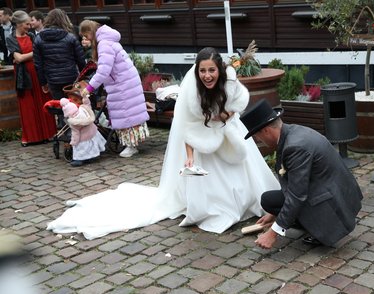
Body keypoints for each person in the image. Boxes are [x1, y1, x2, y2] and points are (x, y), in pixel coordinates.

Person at [46, 47, 280, 240]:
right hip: (203, 140)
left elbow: (236, 105)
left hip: (230, 133)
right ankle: (221, 206)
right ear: (197, 72)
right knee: (212, 182)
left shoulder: (230, 85)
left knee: (244, 170)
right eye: (203, 71)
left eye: (211, 70)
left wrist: (225, 117)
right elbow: (189, 129)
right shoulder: (193, 94)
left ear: (219, 70)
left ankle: (249, 199)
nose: (207, 75)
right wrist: (189, 156)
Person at [240, 99, 363, 249]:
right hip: (334, 190)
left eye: (257, 136)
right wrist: (275, 214)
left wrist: (273, 233)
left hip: (333, 203)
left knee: (279, 201)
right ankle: (307, 222)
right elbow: (293, 181)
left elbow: (297, 195)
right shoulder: (292, 132)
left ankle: (323, 228)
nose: (259, 141)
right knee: (269, 201)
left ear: (265, 130)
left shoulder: (295, 147)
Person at [79, 20, 149, 158]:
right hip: (124, 81)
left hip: (122, 84)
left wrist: (90, 87)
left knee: (126, 114)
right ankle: (131, 144)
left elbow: (104, 70)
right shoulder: (106, 39)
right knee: (128, 112)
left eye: (86, 36)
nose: (85, 39)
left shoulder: (104, 44)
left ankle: (131, 145)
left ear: (90, 32)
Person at [6, 10, 56, 147]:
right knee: (28, 105)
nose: (29, 26)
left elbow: (24, 57)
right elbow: (18, 58)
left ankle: (47, 134)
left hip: (37, 72)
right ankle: (32, 137)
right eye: (27, 24)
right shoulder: (10, 39)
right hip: (24, 76)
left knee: (42, 102)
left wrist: (25, 56)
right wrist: (34, 53)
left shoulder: (32, 36)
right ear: (19, 24)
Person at [33, 8, 85, 101]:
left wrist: (43, 82)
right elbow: (80, 60)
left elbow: (38, 65)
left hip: (52, 79)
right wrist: (84, 78)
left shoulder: (38, 39)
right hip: (71, 77)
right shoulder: (70, 37)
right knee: (75, 107)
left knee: (59, 106)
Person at [60, 92, 106, 167]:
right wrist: (85, 98)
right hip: (93, 132)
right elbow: (87, 104)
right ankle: (93, 156)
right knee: (92, 145)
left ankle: (79, 159)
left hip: (83, 137)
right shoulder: (84, 110)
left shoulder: (74, 122)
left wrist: (73, 142)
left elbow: (76, 134)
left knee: (81, 148)